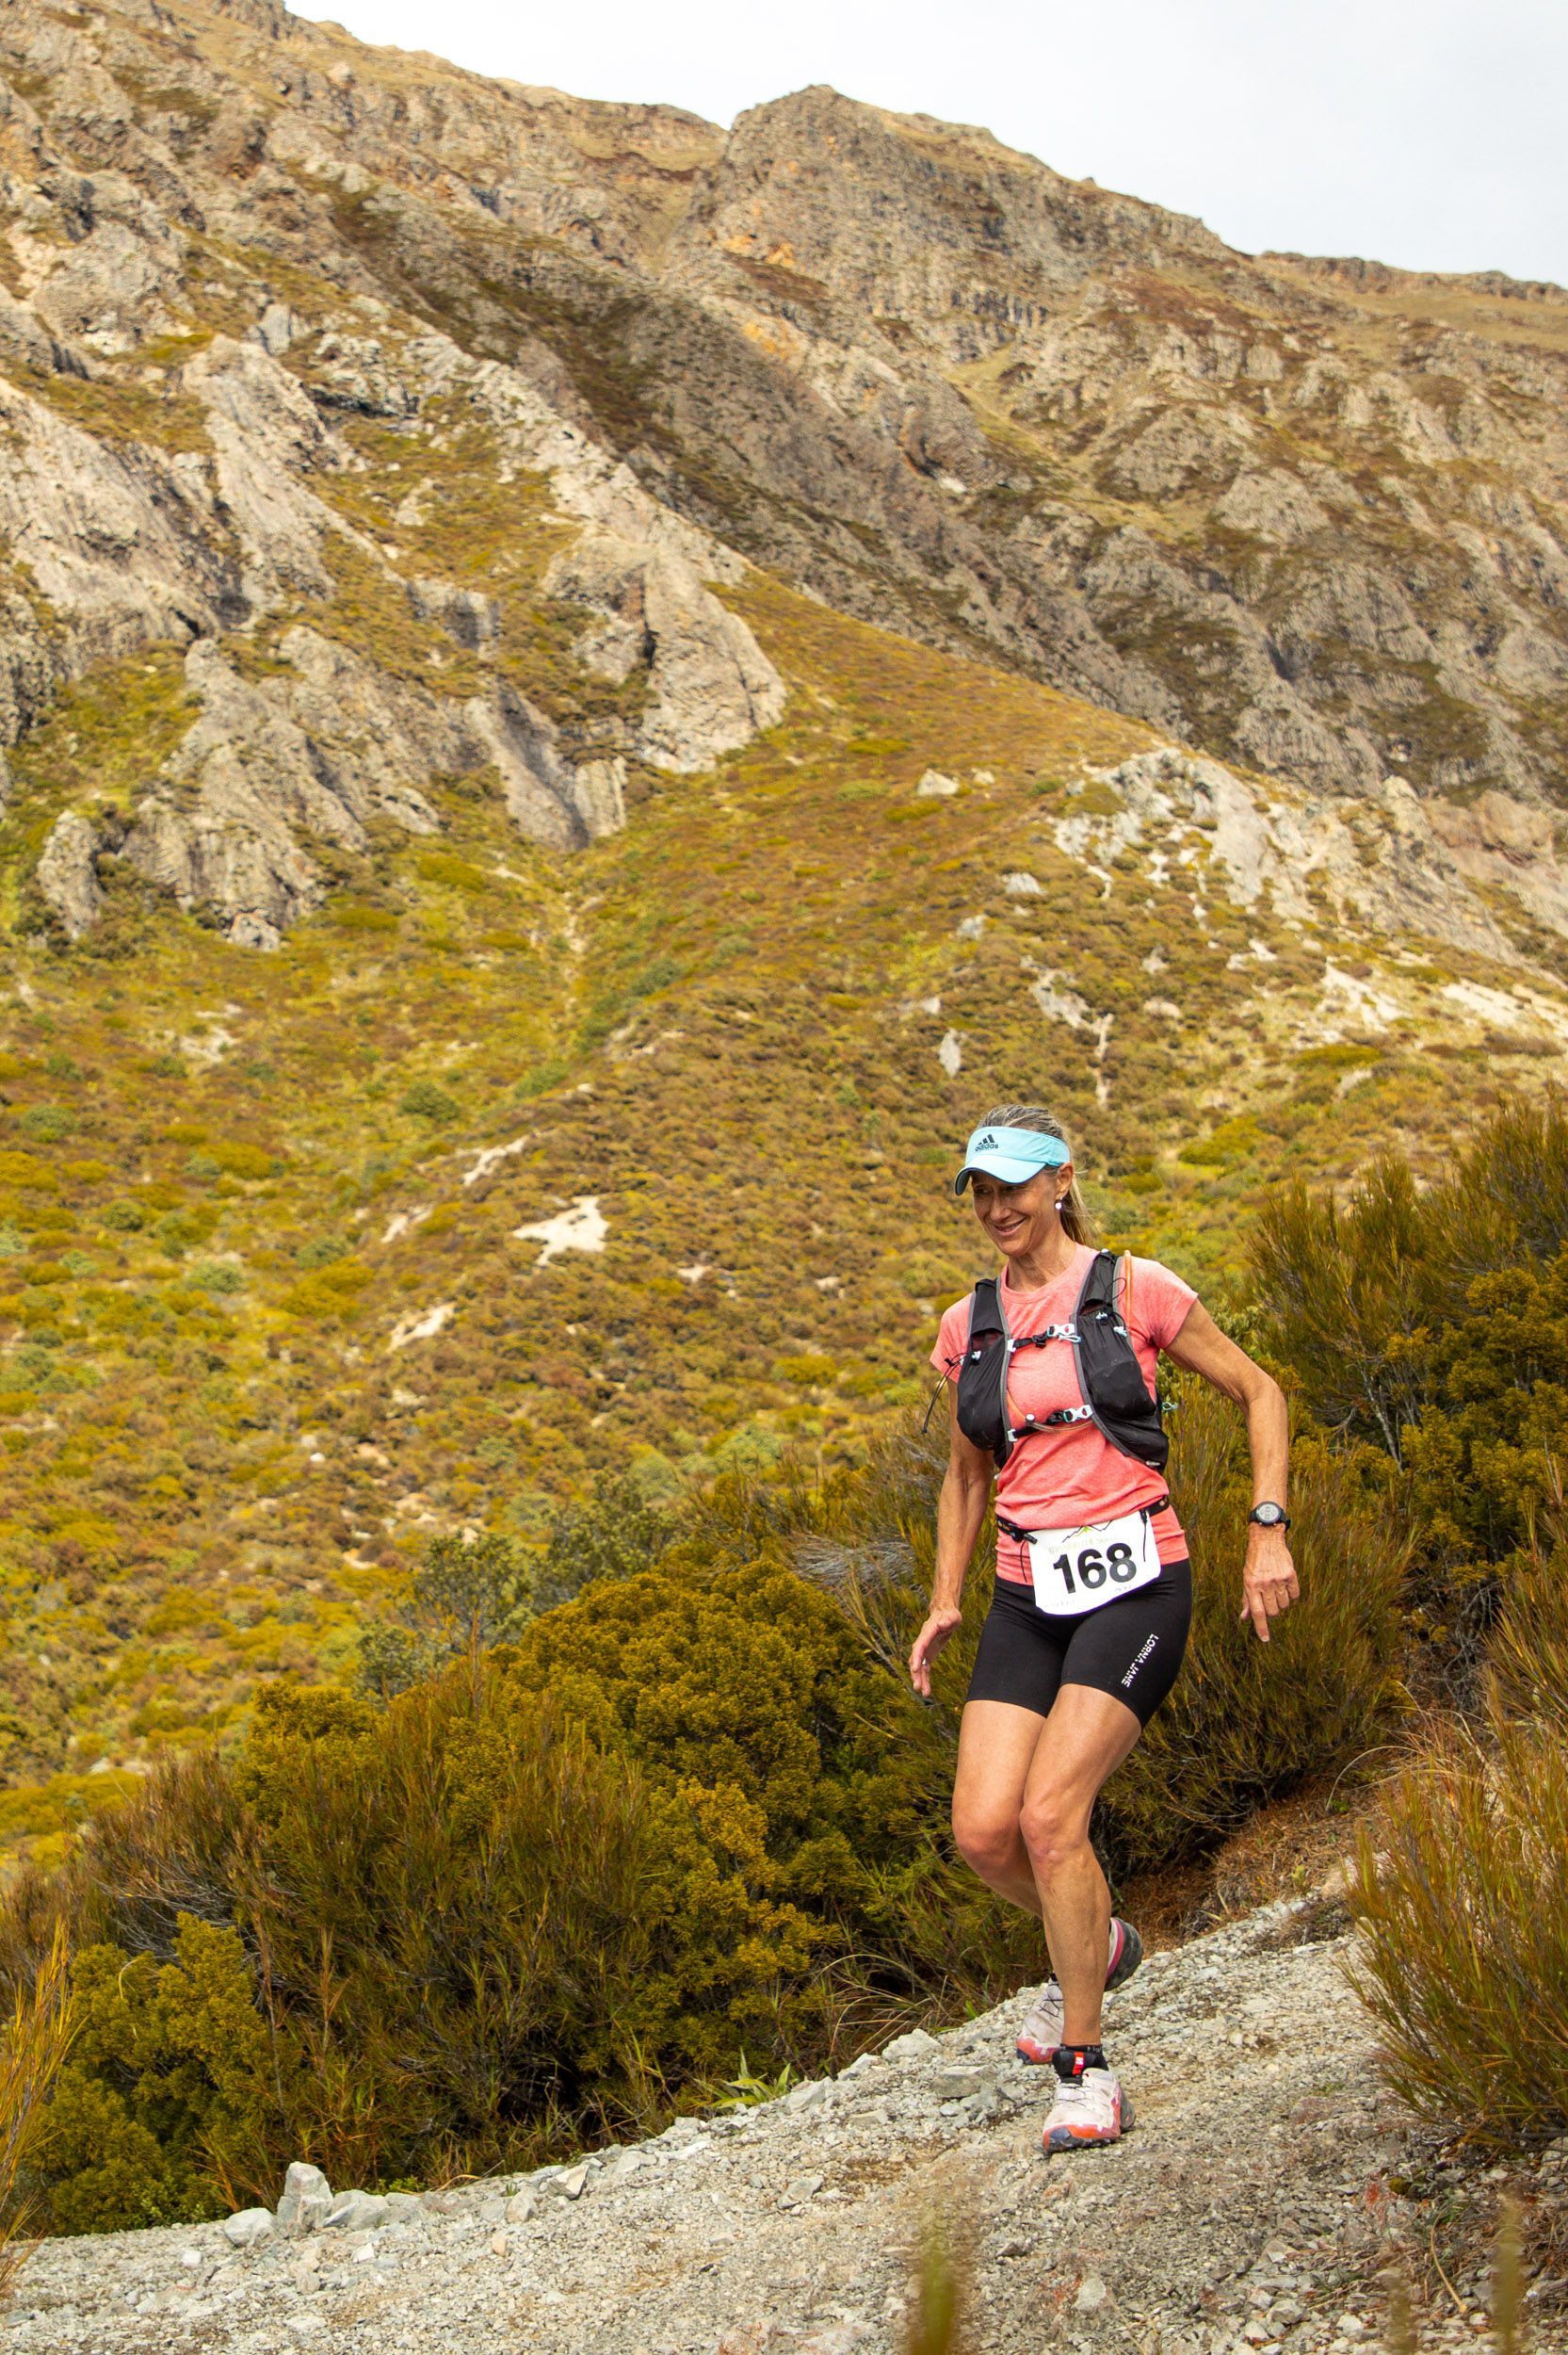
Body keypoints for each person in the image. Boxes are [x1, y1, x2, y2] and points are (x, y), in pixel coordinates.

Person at [910, 1105, 1297, 2153]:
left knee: (1050, 1817)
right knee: (983, 1832)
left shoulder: (1136, 1289)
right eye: (981, 1192)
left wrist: (1268, 1528)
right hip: (1027, 1593)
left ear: (1061, 1180)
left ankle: (1086, 2068)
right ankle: (1098, 1937)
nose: (997, 1208)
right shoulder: (967, 1325)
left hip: (1136, 1582)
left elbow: (1261, 1391)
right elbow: (965, 1474)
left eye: (1014, 1188)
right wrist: (947, 1596)